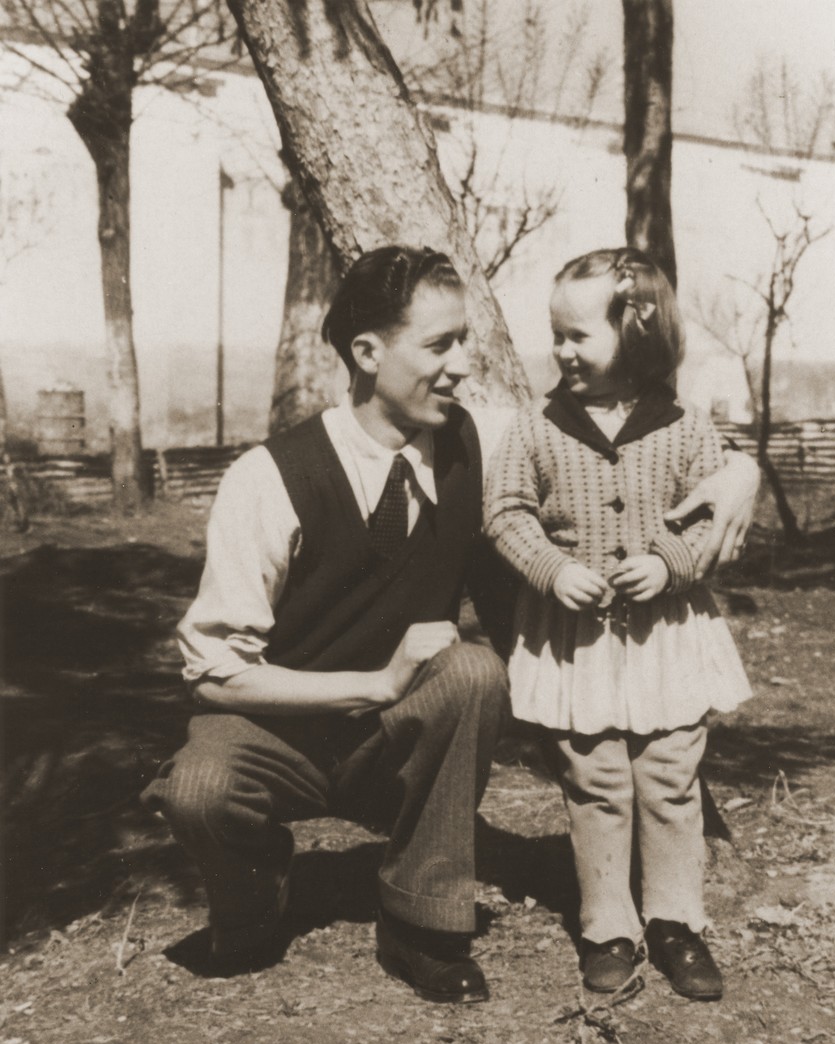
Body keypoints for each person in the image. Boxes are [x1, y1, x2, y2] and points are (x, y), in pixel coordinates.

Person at [142, 244, 758, 1003]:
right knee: (199, 786)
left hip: (392, 734)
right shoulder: (269, 478)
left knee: (471, 673)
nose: (464, 364)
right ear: (367, 353)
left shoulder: (478, 439)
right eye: (440, 345)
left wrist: (740, 474)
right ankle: (253, 901)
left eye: (464, 340)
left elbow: (608, 433)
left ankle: (421, 925)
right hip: (279, 729)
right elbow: (213, 670)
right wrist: (373, 681)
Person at [484, 248, 753, 1002]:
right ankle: (608, 923)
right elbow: (504, 513)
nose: (562, 351)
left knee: (669, 775)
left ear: (634, 334)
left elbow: (710, 520)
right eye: (556, 335)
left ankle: (675, 921)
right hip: (580, 642)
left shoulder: (685, 427)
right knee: (595, 776)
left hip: (667, 637)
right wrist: (551, 568)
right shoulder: (537, 426)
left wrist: (669, 562)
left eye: (579, 336)